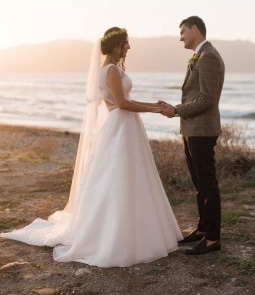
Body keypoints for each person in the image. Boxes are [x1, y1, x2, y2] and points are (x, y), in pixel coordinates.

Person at [0, 27, 182, 267]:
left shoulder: (112, 69)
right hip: (121, 127)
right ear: (117, 45)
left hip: (125, 126)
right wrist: (154, 109)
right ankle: (113, 235)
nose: (129, 47)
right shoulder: (110, 71)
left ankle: (132, 227)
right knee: (117, 178)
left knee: (128, 177)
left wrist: (153, 105)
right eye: (126, 43)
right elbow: (121, 103)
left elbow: (123, 102)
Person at [160, 16, 225, 255]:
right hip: (191, 129)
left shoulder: (209, 57)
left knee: (207, 184)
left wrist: (176, 110)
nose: (180, 37)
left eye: (183, 32)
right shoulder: (199, 56)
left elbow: (206, 99)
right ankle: (202, 229)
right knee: (200, 184)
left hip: (202, 130)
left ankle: (212, 239)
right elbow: (194, 95)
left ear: (195, 29)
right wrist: (177, 110)